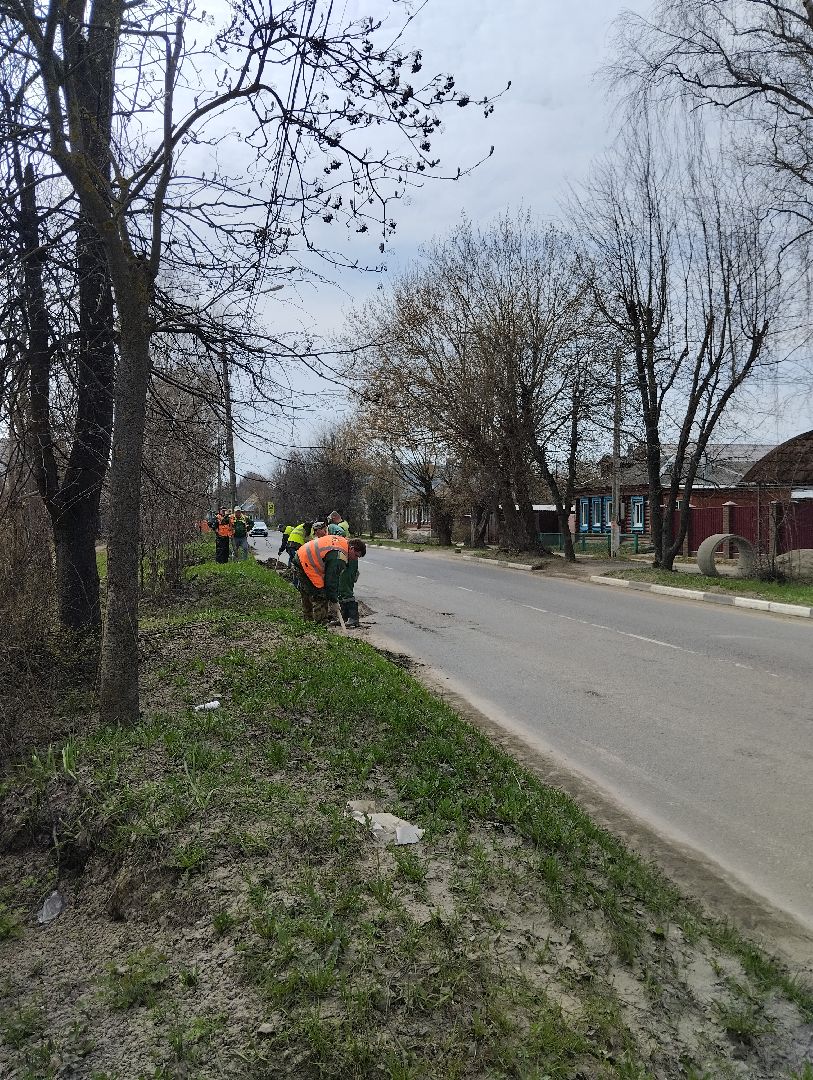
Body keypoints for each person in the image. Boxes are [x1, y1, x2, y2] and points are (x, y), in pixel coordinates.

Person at [292, 534, 367, 624]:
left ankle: (308, 622)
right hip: (306, 564)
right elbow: (331, 581)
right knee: (321, 596)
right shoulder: (339, 557)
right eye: (356, 555)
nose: (355, 558)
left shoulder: (343, 542)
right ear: (351, 548)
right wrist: (334, 600)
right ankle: (319, 626)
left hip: (301, 557)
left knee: (307, 593)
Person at [338, 546, 361, 628]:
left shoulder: (352, 558)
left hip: (348, 570)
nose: (356, 558)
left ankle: (353, 618)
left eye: (357, 556)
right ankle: (344, 617)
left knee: (346, 592)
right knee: (340, 592)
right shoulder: (343, 548)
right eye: (356, 555)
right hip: (344, 569)